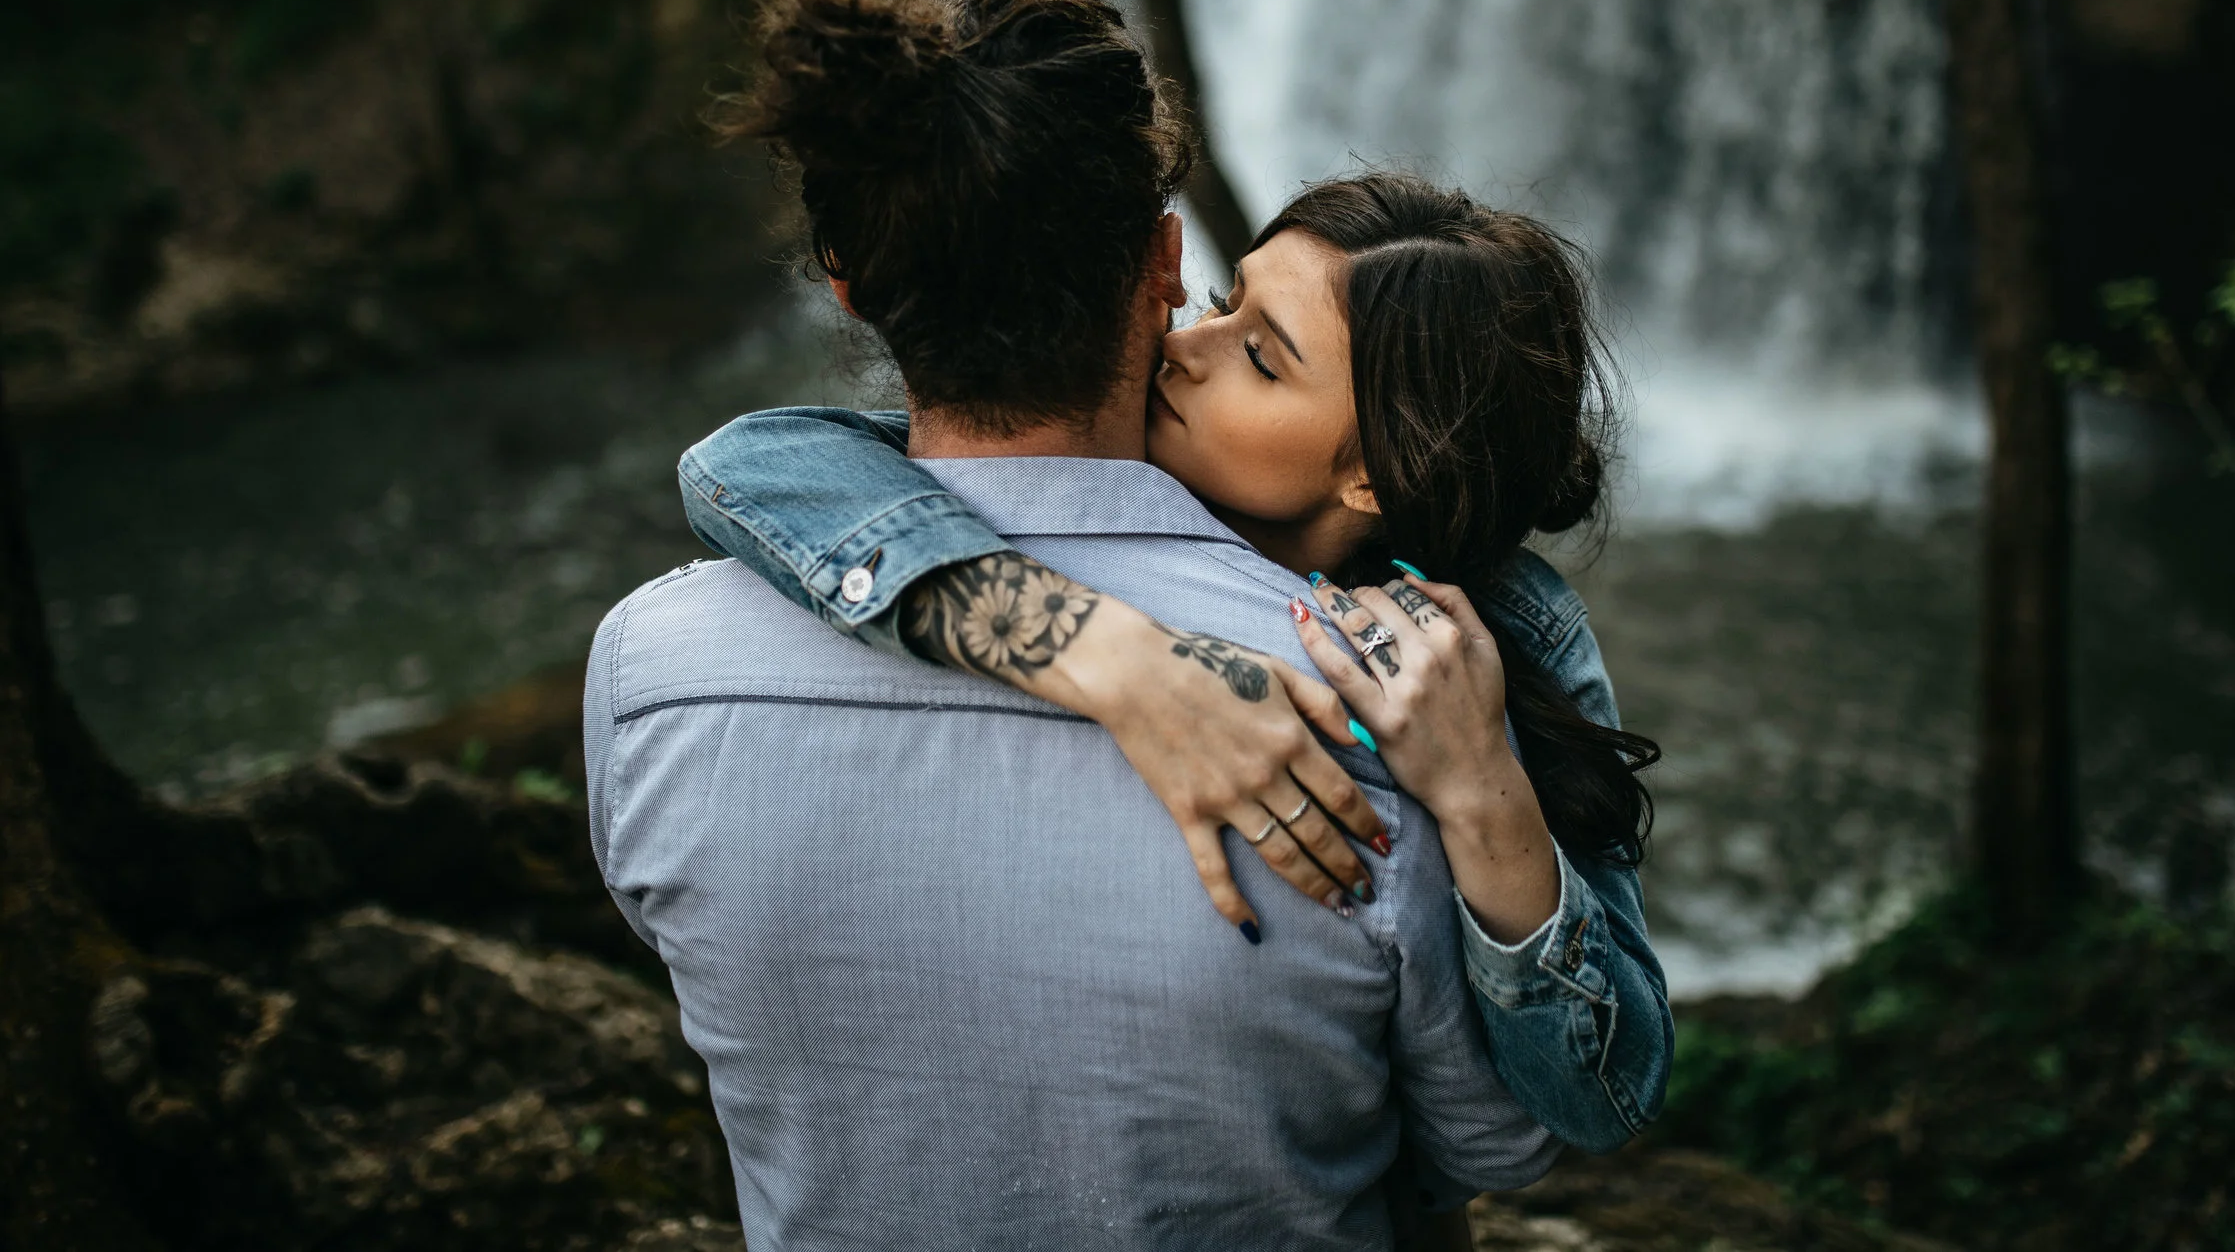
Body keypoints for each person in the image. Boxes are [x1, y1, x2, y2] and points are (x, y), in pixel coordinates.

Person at [586, 0, 1560, 1250]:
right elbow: (1494, 1139)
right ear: (1163, 264)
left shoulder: (650, 676)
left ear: (851, 282)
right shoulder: (1371, 716)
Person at [678, 180, 1673, 1151]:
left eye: (1261, 356)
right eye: (1220, 302)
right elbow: (751, 461)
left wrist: (1481, 794)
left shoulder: (1512, 635)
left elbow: (1608, 1094)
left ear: (1373, 469)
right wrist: (1104, 647)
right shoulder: (1091, 481)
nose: (1180, 344)